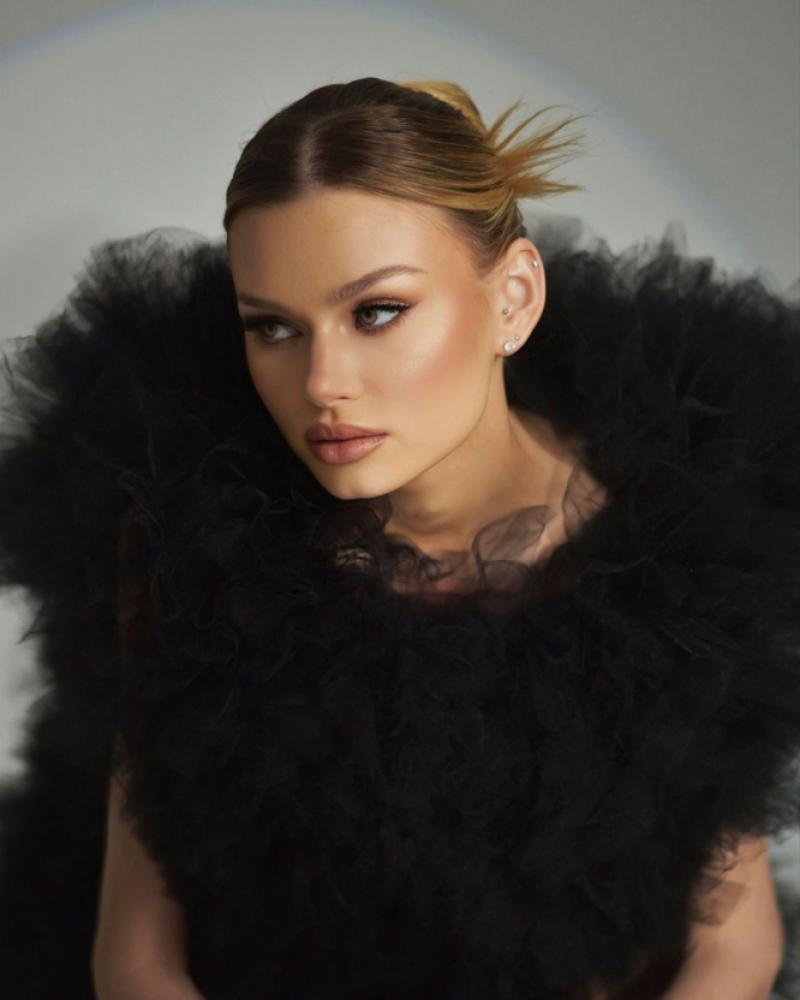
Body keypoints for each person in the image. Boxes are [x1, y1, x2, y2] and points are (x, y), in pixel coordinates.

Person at [0, 76, 798, 1000]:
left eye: (377, 312)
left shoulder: (683, 545)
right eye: (273, 327)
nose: (322, 383)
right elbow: (135, 957)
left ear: (514, 299)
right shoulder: (204, 547)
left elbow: (735, 949)